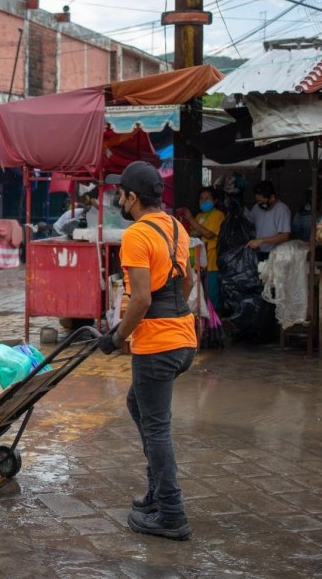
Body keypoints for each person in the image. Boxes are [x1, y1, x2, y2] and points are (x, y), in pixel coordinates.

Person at [101, 161, 197, 541]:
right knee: (137, 404)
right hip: (183, 338)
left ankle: (171, 513)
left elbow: (140, 299)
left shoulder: (137, 235)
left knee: (157, 429)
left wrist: (116, 337)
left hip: (157, 344)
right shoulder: (176, 227)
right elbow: (186, 281)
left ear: (133, 197)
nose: (118, 198)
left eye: (120, 193)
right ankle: (158, 491)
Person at [181, 187, 225, 312]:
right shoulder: (200, 215)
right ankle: (205, 325)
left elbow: (209, 234)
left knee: (212, 297)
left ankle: (215, 326)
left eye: (207, 198)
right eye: (201, 199)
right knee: (201, 295)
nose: (203, 201)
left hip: (212, 261)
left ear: (215, 200)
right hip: (198, 262)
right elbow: (195, 232)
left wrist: (190, 219)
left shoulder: (218, 215)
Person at [245, 181, 291, 261]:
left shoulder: (282, 209)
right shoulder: (257, 207)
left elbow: (284, 236)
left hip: (275, 254)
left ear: (272, 197)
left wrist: (261, 240)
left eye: (262, 201)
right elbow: (250, 221)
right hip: (259, 252)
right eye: (258, 201)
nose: (259, 203)